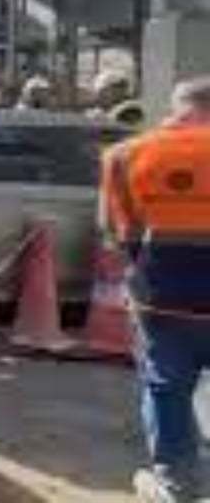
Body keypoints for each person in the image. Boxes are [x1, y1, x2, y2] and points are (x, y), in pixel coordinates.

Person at [100, 77, 210, 502]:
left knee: (167, 386)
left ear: (177, 108)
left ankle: (176, 483)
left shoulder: (124, 156)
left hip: (164, 298)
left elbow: (118, 233)